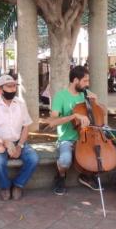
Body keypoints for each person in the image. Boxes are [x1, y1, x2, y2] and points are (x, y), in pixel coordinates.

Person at [45, 65, 106, 195]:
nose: (87, 84)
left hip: (87, 137)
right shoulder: (60, 96)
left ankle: (85, 176)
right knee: (65, 159)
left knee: (102, 155)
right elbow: (52, 122)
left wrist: (96, 103)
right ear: (75, 80)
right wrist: (73, 116)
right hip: (67, 138)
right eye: (85, 81)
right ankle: (61, 176)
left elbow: (102, 115)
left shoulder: (86, 96)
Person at [0, 75, 39, 201]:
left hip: (19, 141)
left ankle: (18, 185)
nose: (13, 89)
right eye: (9, 87)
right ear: (0, 89)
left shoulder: (20, 103)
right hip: (1, 143)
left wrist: (19, 146)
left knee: (33, 159)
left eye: (14, 86)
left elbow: (25, 126)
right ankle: (5, 187)